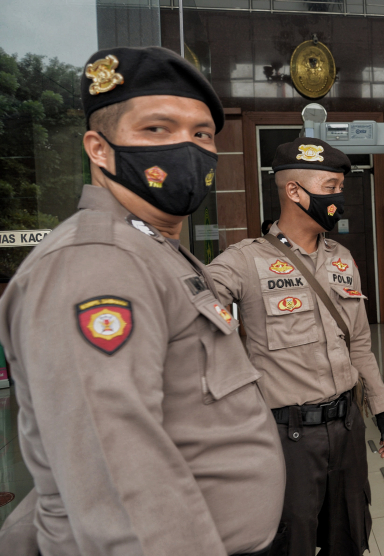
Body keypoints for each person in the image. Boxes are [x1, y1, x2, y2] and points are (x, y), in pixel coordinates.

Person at [0, 46, 286, 556]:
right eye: (157, 129)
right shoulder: (96, 263)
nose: (187, 147)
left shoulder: (152, 248)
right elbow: (117, 476)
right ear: (99, 148)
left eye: (201, 134)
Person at [207, 136, 384, 556]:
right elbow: (189, 313)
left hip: (348, 429)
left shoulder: (342, 259)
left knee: (348, 537)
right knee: (289, 541)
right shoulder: (244, 262)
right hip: (287, 438)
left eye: (339, 190)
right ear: (294, 191)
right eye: (329, 189)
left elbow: (361, 345)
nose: (338, 199)